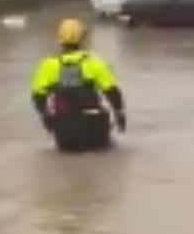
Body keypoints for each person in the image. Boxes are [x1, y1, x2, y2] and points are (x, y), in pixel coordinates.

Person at [30, 18, 127, 150]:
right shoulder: (95, 63)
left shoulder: (48, 66)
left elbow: (38, 97)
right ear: (82, 38)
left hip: (66, 134)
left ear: (59, 39)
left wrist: (46, 118)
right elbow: (112, 92)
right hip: (95, 131)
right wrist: (119, 114)